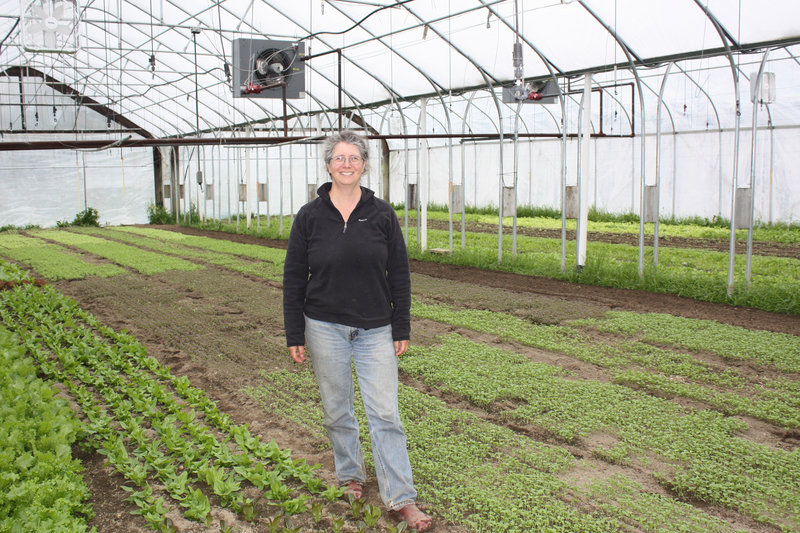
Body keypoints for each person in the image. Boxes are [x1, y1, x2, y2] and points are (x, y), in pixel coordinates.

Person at [282, 130, 433, 531]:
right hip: (324, 327)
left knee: (385, 412)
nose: (346, 164)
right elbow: (294, 277)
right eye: (339, 158)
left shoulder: (381, 214)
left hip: (375, 329)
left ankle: (401, 498)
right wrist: (294, 333)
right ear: (328, 165)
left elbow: (398, 273)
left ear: (365, 165)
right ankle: (350, 477)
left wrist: (401, 324)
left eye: (353, 158)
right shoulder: (309, 217)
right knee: (337, 410)